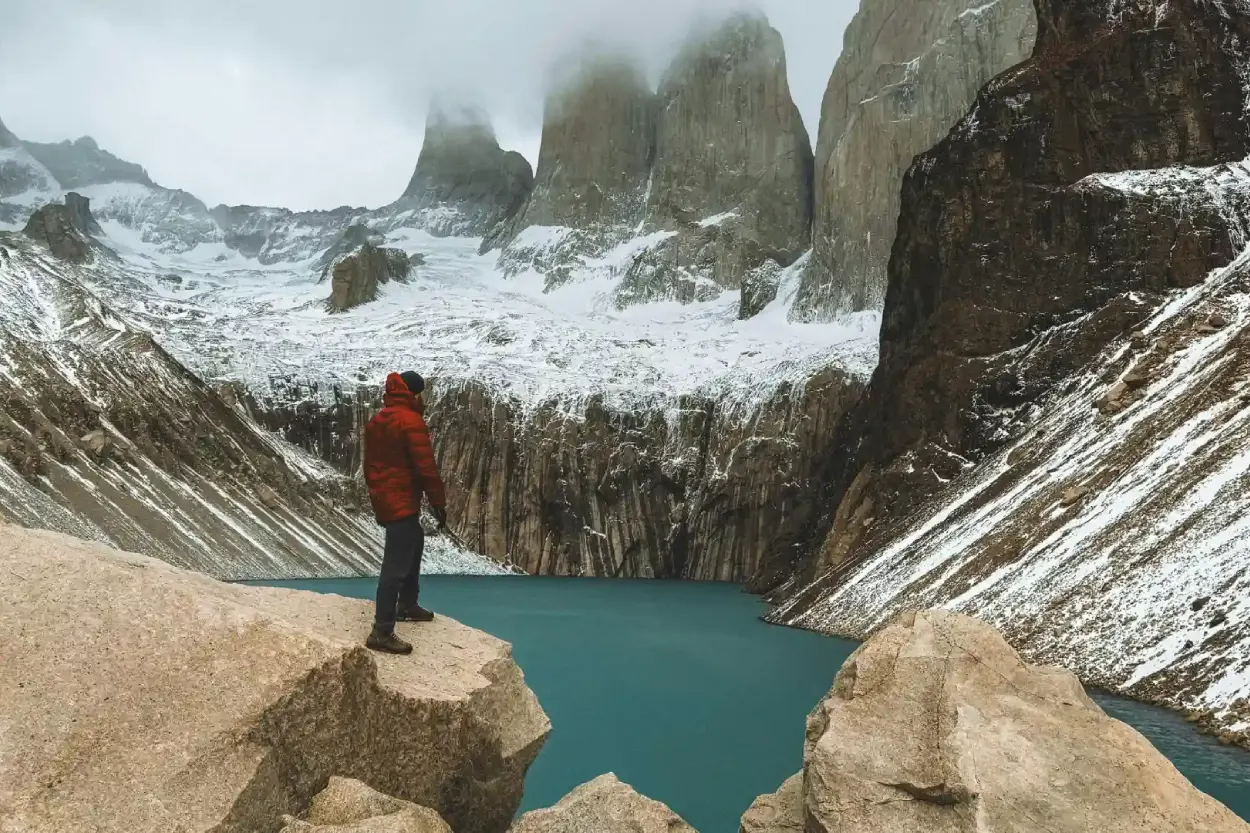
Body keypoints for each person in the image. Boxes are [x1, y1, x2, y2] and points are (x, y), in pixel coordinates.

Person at [362, 370, 448, 655]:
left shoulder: (378, 420)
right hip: (400, 497)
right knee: (395, 565)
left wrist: (379, 494)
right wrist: (438, 501)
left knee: (415, 538)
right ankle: (382, 630)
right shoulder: (411, 422)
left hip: (386, 495)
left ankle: (407, 605)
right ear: (414, 394)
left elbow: (371, 464)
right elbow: (426, 467)